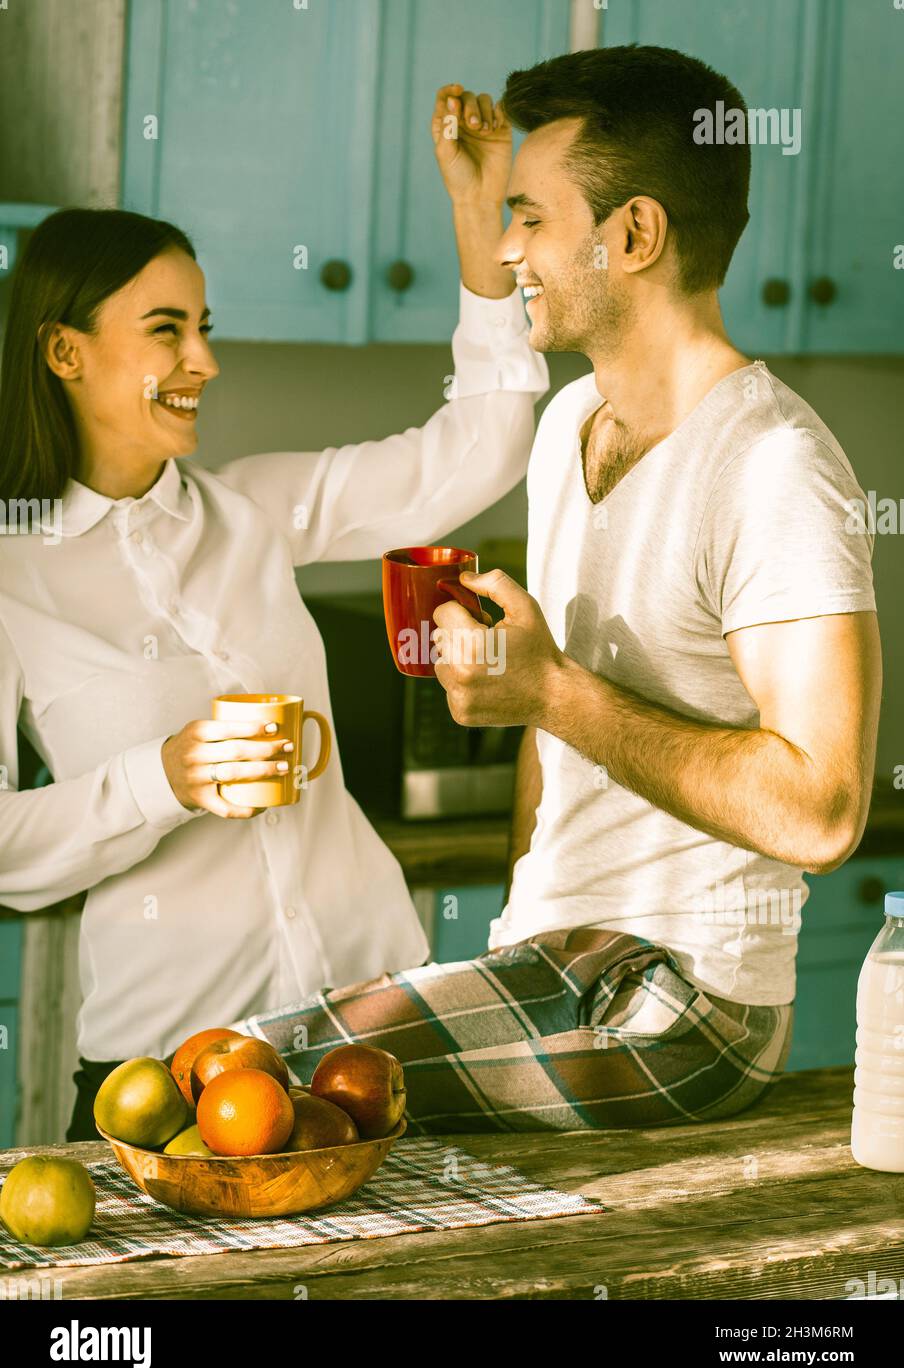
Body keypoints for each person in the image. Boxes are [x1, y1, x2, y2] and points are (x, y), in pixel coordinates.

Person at [222, 47, 881, 1134]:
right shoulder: (568, 426)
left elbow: (822, 810)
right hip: (558, 957)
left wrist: (553, 693)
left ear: (632, 236)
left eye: (529, 216)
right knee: (254, 1076)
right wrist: (515, 935)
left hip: (691, 994)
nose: (506, 248)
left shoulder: (773, 467)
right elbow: (551, 742)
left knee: (262, 1077)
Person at [0, 84, 549, 1140]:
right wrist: (161, 779)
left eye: (203, 327)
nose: (202, 360)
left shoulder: (252, 508)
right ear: (66, 352)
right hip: (170, 1074)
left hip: (373, 1029)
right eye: (166, 331)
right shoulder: (11, 581)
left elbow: (476, 447)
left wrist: (480, 222)